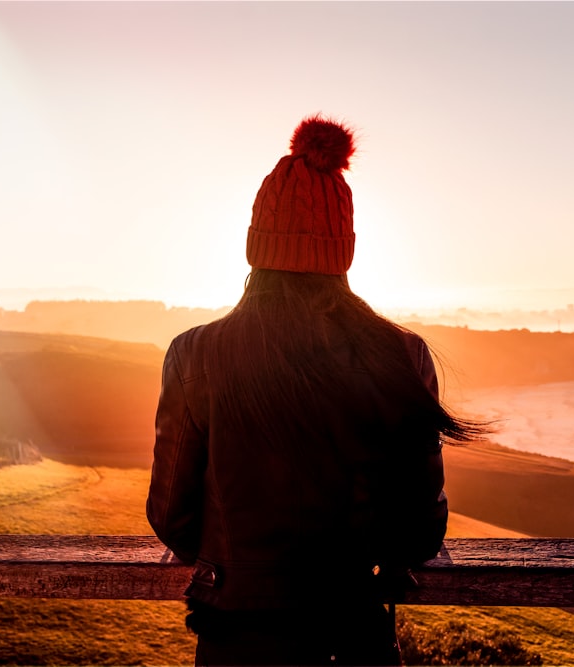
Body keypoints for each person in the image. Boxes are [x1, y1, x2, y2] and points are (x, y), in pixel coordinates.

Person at [147, 115, 487, 666]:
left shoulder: (195, 353)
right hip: (353, 637)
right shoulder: (401, 355)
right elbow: (419, 531)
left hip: (235, 637)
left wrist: (231, 563)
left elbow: (170, 514)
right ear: (344, 248)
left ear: (257, 244)